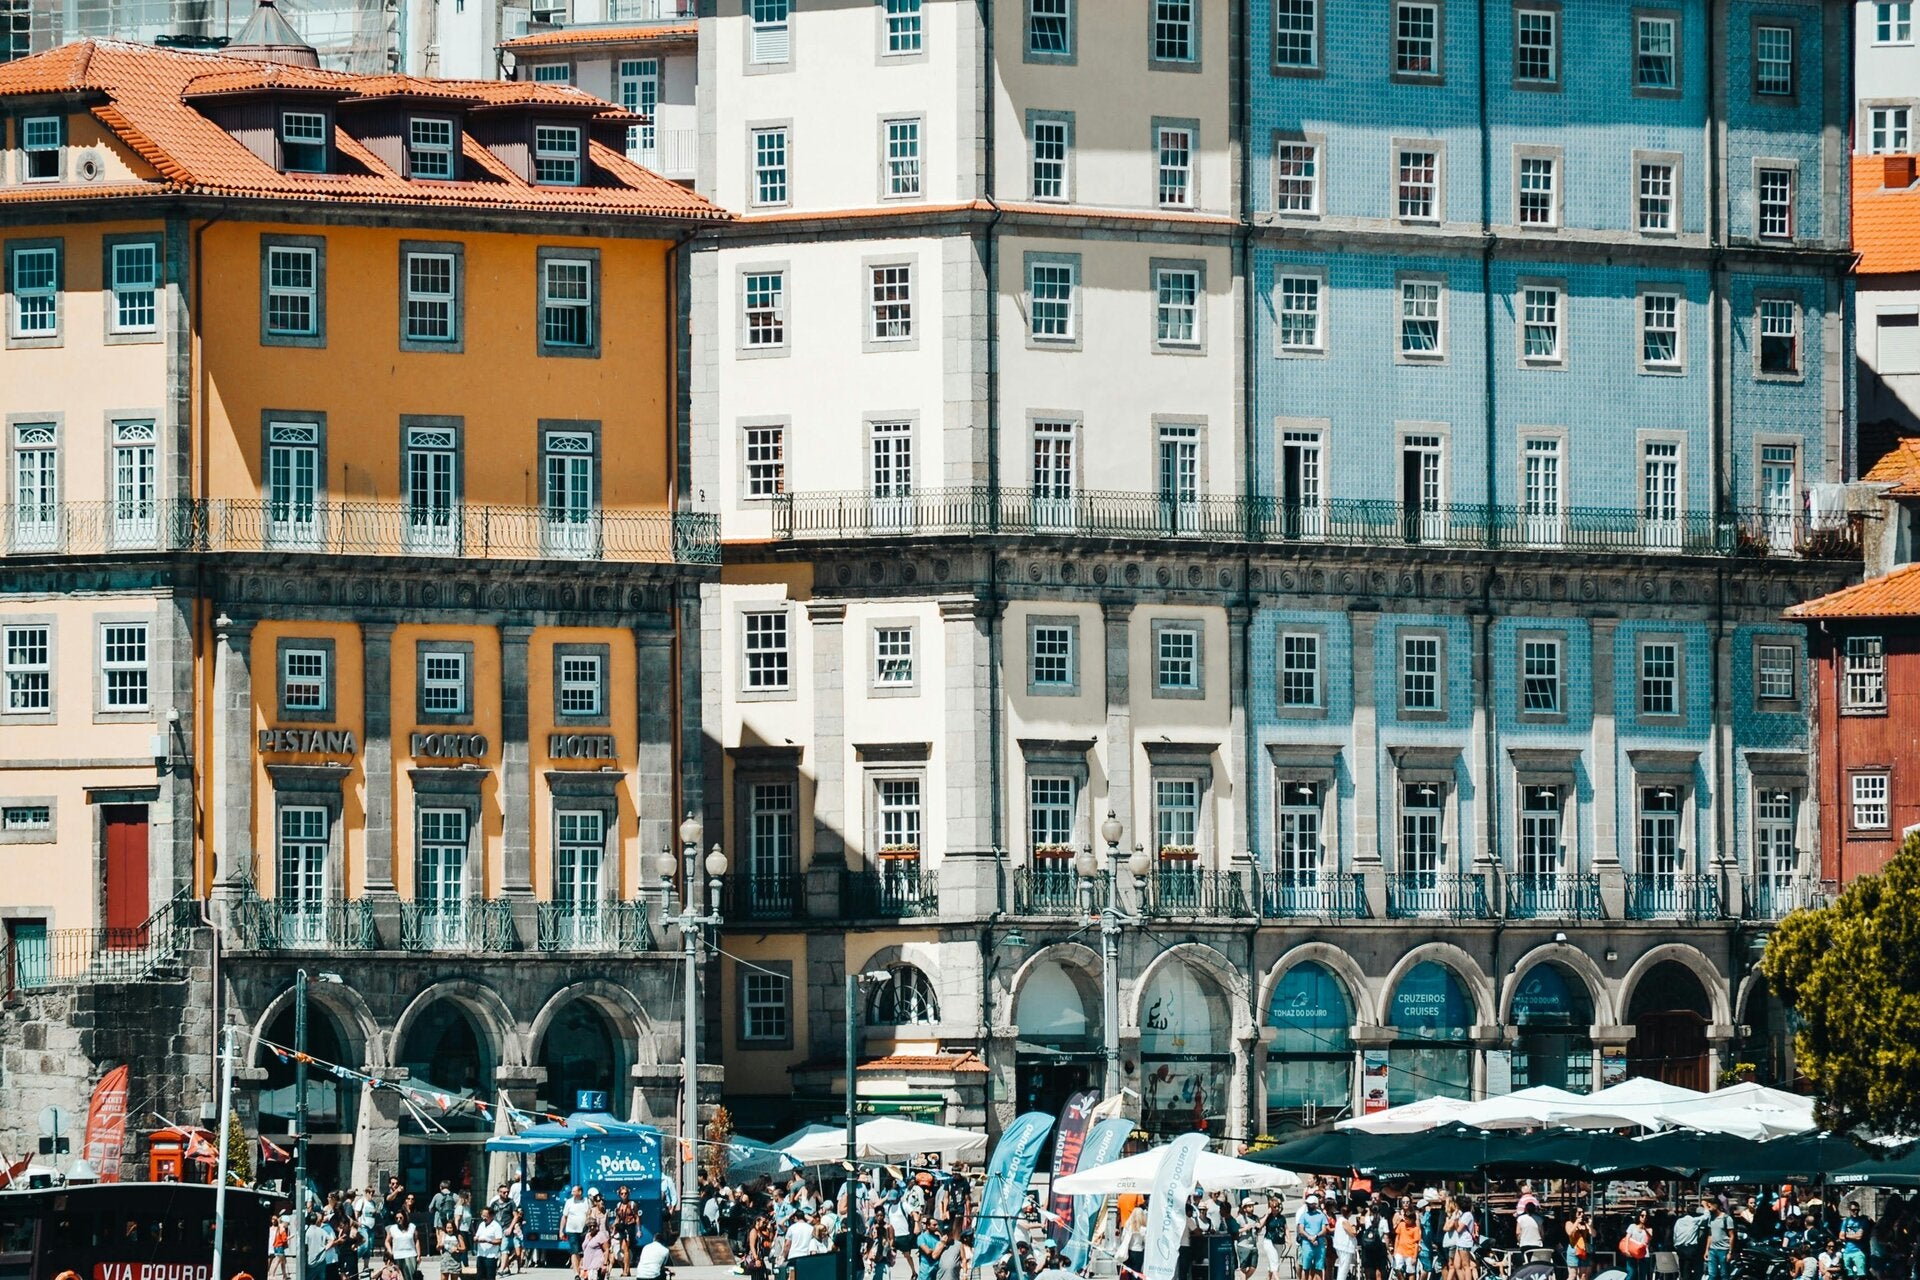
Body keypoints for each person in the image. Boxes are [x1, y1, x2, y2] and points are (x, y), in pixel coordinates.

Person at [1673, 1199, 1708, 1280]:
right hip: (1690, 1248)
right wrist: (1705, 1206)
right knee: (1688, 1268)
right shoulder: (1694, 1220)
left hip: (1679, 1247)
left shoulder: (1679, 1221)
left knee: (1682, 1267)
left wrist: (1675, 1245)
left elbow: (1675, 1233)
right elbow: (1706, 1216)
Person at [562, 1187, 593, 1276]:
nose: (572, 1193)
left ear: (580, 1192)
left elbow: (591, 1214)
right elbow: (564, 1217)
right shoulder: (569, 1202)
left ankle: (581, 1269)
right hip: (571, 1231)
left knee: (584, 1252)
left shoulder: (587, 1201)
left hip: (584, 1231)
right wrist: (561, 1231)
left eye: (574, 1191)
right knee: (574, 1251)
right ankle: (576, 1273)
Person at [1299, 1193, 1330, 1280]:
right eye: (1308, 1204)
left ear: (1316, 1205)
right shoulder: (1304, 1215)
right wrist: (1309, 1237)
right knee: (1305, 1268)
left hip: (1319, 1245)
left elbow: (1324, 1230)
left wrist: (1316, 1236)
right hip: (1307, 1244)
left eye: (1311, 1204)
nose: (1309, 1206)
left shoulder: (1321, 1216)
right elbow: (1301, 1230)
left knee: (1319, 1268)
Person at [1703, 1200, 1735, 1280]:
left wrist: (1730, 1252)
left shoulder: (1726, 1218)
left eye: (1710, 1206)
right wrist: (1707, 1250)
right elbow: (1710, 1235)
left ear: (1716, 1205)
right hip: (1712, 1250)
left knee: (1724, 1274)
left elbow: (1732, 1236)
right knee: (1712, 1274)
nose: (1709, 1208)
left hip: (1723, 1250)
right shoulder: (1711, 1218)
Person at [614, 1187, 641, 1277]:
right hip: (622, 1227)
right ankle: (627, 1269)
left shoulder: (632, 1204)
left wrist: (638, 1230)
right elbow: (617, 1218)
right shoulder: (619, 1205)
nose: (624, 1195)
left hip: (630, 1227)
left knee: (625, 1248)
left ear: (628, 1194)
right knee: (623, 1249)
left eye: (625, 1193)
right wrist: (614, 1229)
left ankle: (626, 1270)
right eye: (622, 1193)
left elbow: (637, 1217)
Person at [386, 1211, 421, 1280]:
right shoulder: (393, 1228)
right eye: (397, 1218)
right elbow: (387, 1241)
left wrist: (419, 1255)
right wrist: (390, 1251)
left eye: (400, 1218)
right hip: (397, 1256)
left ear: (405, 1217)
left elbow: (416, 1241)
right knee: (399, 1277)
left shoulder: (412, 1227)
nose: (398, 1220)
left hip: (410, 1255)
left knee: (410, 1277)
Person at [1621, 1209, 1654, 1280]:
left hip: (1644, 1254)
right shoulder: (1632, 1226)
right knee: (1631, 1273)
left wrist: (1645, 1229)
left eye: (1646, 1216)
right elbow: (1627, 1238)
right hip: (1632, 1252)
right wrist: (1626, 1249)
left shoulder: (1649, 1229)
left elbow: (1650, 1238)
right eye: (1642, 1215)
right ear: (1639, 1216)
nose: (1644, 1217)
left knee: (1642, 1274)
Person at [1333, 1198, 1362, 1280]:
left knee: (1342, 1267)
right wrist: (1354, 1226)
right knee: (1344, 1269)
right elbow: (1353, 1233)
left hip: (1341, 1247)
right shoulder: (1344, 1221)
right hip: (1345, 1248)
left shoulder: (1340, 1220)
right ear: (1350, 1213)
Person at [1840, 1202, 1869, 1279]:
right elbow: (1841, 1236)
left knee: (1861, 1275)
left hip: (1858, 1251)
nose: (1855, 1212)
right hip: (1847, 1251)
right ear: (1849, 1210)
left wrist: (1846, 1235)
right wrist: (1853, 1236)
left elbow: (1859, 1237)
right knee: (1848, 1275)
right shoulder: (1846, 1221)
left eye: (1857, 1210)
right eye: (1853, 1210)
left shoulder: (1863, 1221)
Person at [473, 1209, 504, 1280]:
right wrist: (475, 1238)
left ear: (491, 1216)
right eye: (482, 1216)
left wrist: (487, 1241)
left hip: (491, 1256)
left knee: (490, 1277)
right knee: (480, 1277)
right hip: (480, 1254)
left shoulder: (496, 1226)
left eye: (486, 1216)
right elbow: (477, 1235)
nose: (483, 1218)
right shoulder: (481, 1224)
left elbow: (499, 1241)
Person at [1394, 1205, 1422, 1278]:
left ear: (1412, 1220)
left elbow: (1416, 1243)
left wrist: (1414, 1257)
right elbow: (1397, 1237)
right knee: (1396, 1268)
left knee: (1411, 1272)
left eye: (1407, 1219)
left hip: (1410, 1252)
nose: (1405, 1220)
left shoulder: (1415, 1229)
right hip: (1400, 1251)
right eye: (1405, 1218)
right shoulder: (1401, 1225)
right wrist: (1395, 1250)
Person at [582, 1215, 612, 1280]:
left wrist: (605, 1264)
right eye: (590, 1226)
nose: (592, 1227)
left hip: (596, 1265)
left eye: (594, 1225)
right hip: (587, 1265)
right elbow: (585, 1251)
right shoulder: (587, 1235)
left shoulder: (600, 1235)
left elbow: (606, 1250)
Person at [1565, 1207, 1592, 1280]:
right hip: (1573, 1250)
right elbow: (1570, 1233)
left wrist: (1589, 1225)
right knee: (1572, 1275)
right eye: (1579, 1213)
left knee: (1583, 1275)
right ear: (1574, 1214)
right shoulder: (1569, 1223)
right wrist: (1577, 1222)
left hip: (1583, 1250)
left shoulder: (1585, 1224)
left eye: (1583, 1212)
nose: (1581, 1214)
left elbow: (1593, 1234)